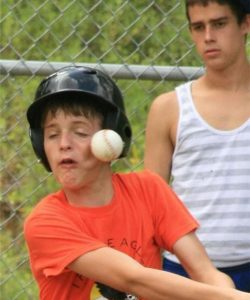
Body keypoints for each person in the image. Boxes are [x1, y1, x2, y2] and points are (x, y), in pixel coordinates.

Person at [24, 65, 250, 300]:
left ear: (112, 137)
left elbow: (206, 272)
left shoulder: (147, 190)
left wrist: (227, 294)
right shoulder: (45, 222)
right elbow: (133, 279)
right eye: (52, 135)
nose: (64, 144)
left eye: (79, 132)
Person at [144, 0, 250, 292]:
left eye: (219, 24)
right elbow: (151, 206)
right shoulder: (169, 108)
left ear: (245, 24)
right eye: (198, 27)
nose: (208, 37)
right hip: (183, 270)